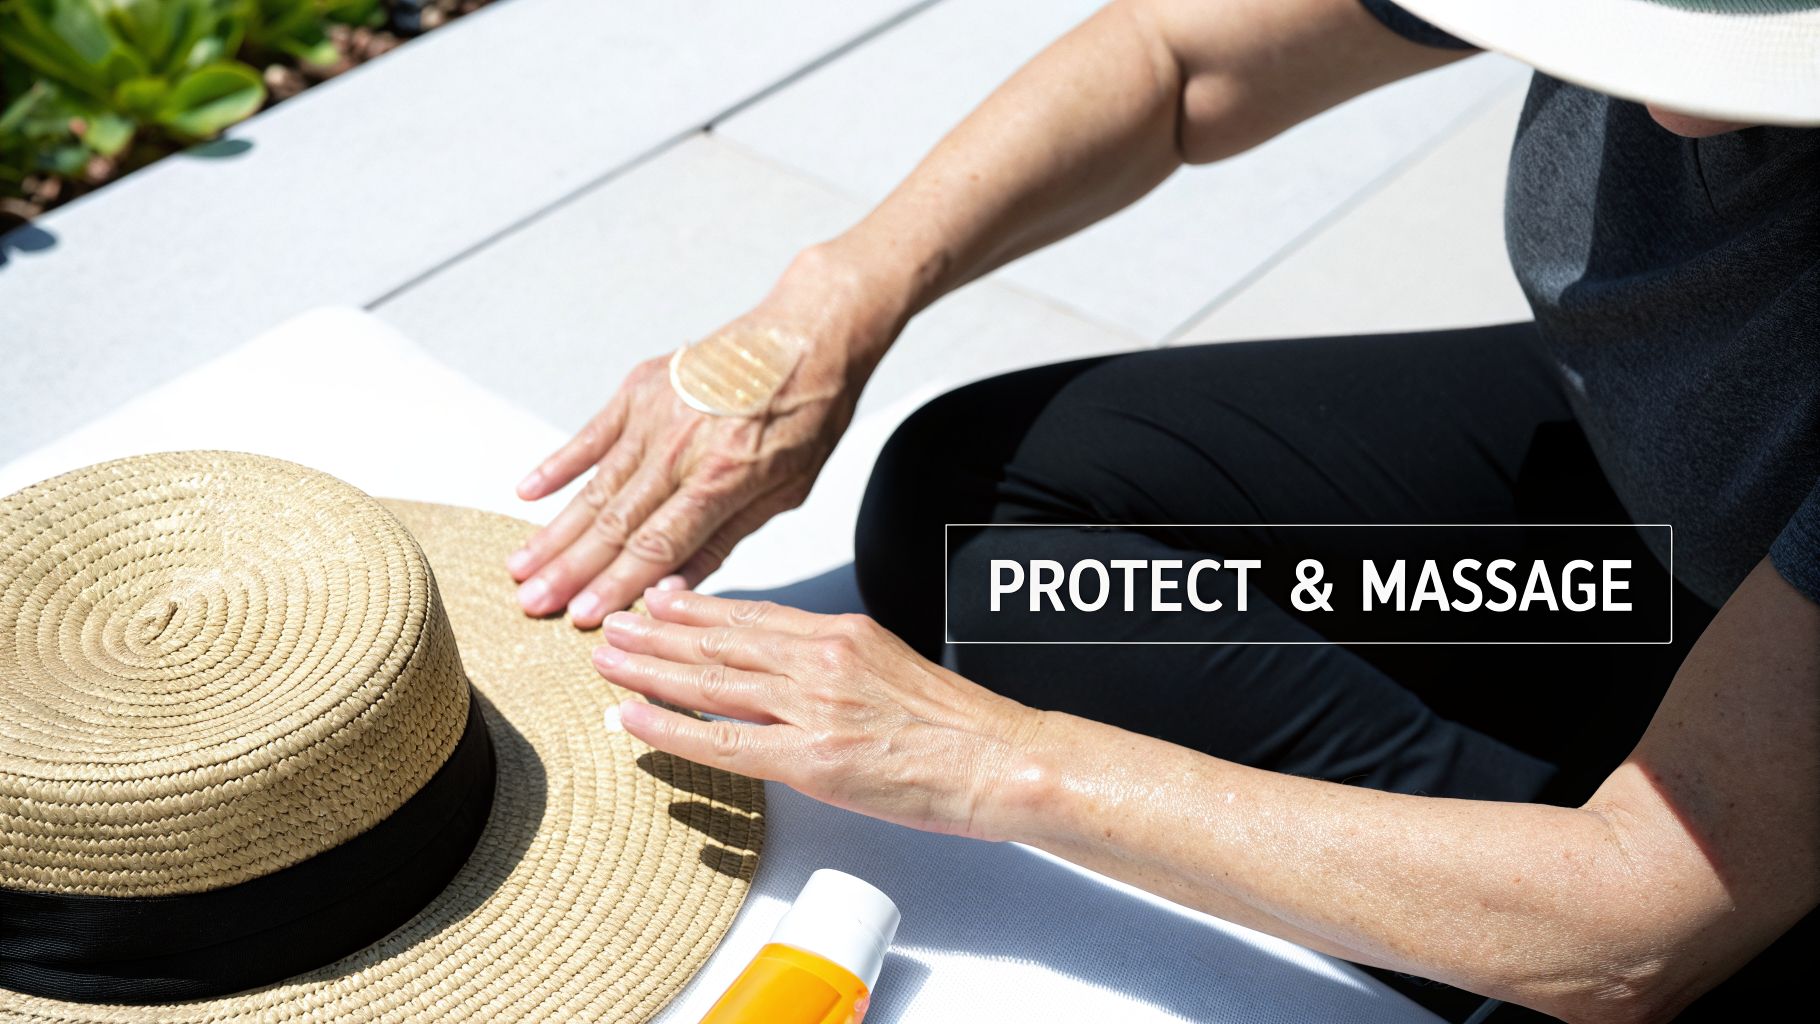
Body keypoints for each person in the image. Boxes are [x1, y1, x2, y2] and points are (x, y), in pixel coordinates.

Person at [507, 0, 1817, 1019]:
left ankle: (1500, 892)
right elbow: (1179, 56)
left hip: (1743, 749)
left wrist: (998, 764)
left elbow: (1641, 922)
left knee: (1597, 970)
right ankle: (1493, 844)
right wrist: (832, 301)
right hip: (1656, 520)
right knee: (979, 530)